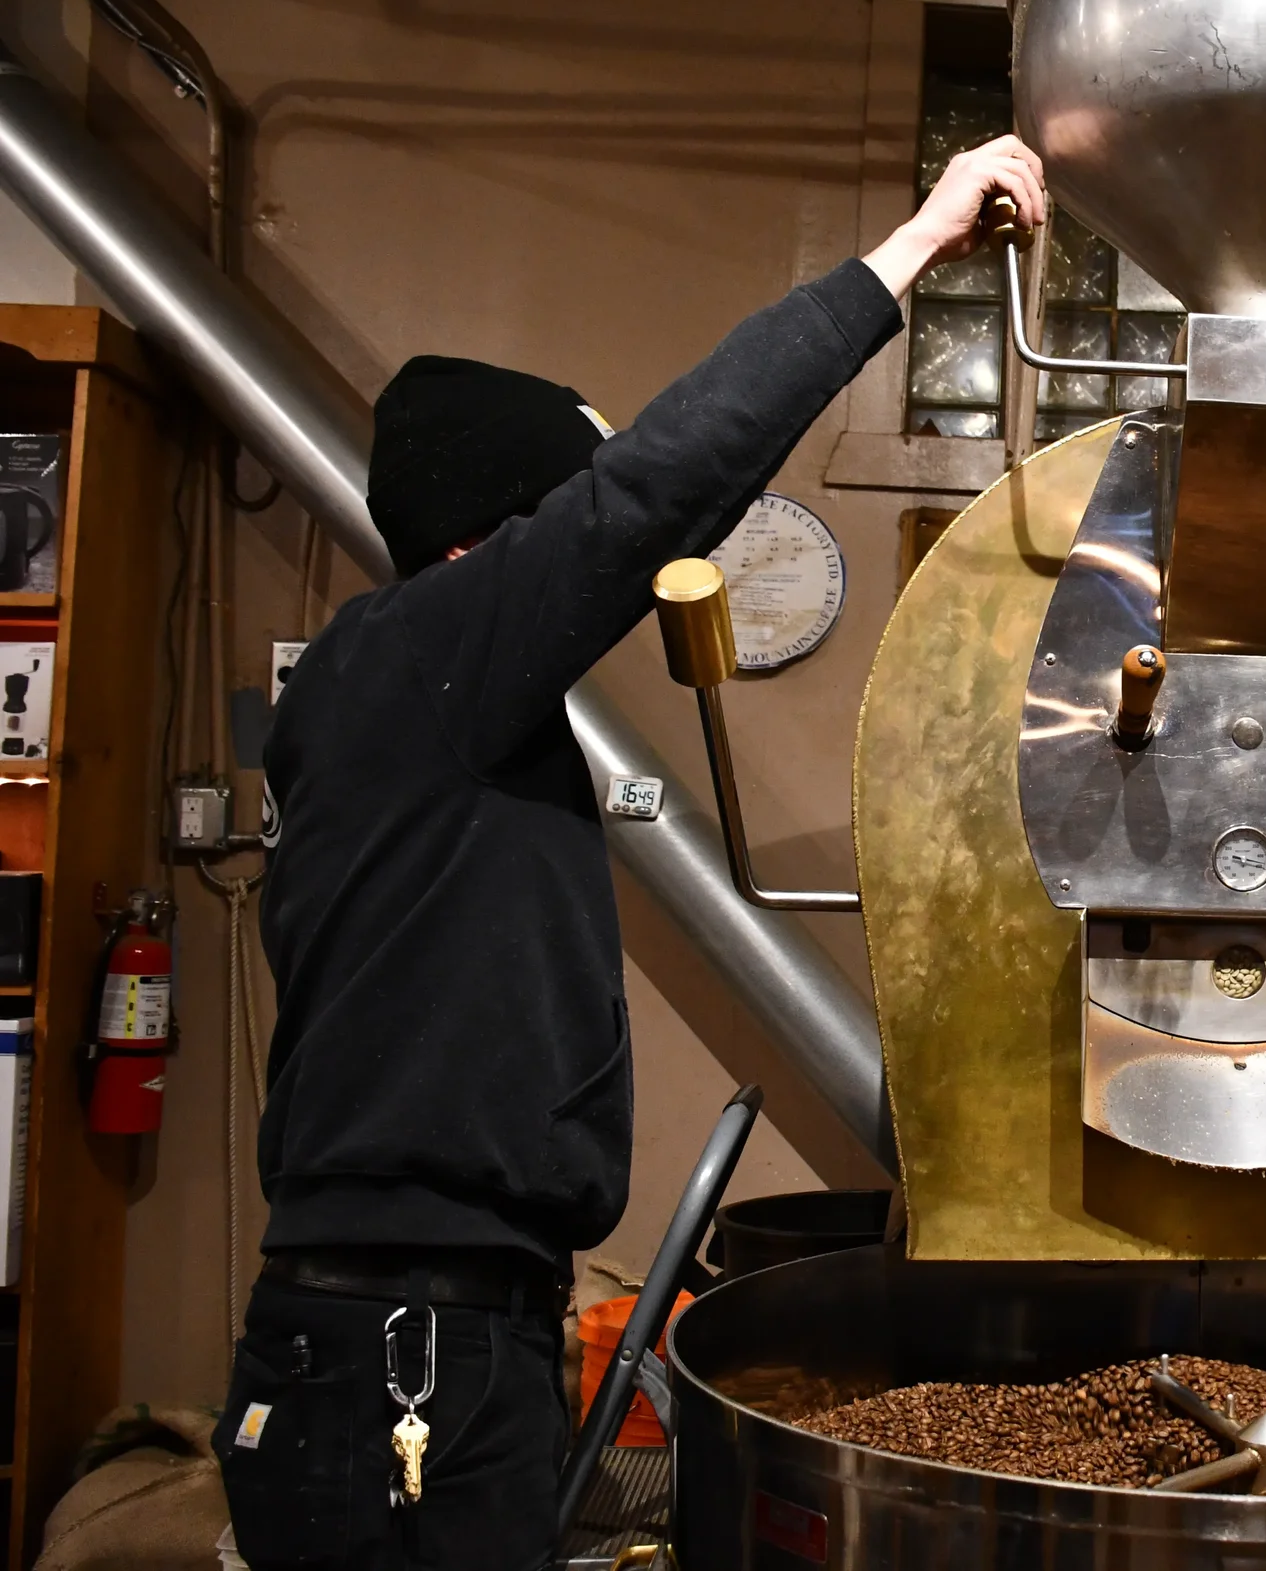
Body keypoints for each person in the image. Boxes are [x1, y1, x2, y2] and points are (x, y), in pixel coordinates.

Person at [211, 136, 1047, 1571]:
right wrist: (911, 250)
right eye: (557, 526)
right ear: (503, 533)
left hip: (435, 1331)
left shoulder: (422, 707)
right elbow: (659, 484)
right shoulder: (424, 655)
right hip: (404, 1350)